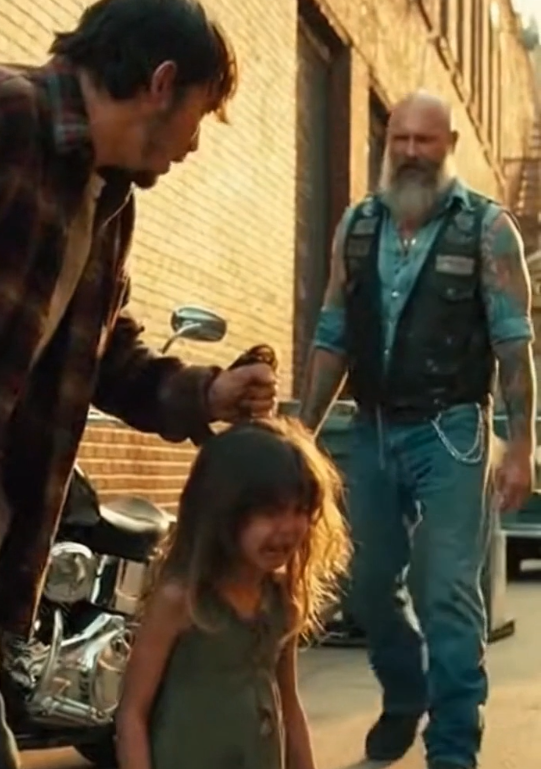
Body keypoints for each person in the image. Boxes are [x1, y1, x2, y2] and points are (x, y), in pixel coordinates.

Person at [0, 1, 277, 766]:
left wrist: (206, 394)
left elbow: (103, 356)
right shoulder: (13, 118)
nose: (194, 145)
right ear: (161, 83)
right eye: (201, 115)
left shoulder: (106, 197)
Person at [299, 90, 536, 769]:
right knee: (367, 584)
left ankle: (453, 748)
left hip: (453, 432)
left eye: (423, 141)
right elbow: (332, 335)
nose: (407, 152)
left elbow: (514, 346)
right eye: (398, 138)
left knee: (447, 593)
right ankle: (405, 691)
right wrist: (300, 434)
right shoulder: (357, 225)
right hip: (371, 429)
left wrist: (521, 446)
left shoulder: (487, 229)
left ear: (449, 145)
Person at [116, 417, 351, 769]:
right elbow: (132, 714)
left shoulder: (281, 600)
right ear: (222, 512)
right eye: (270, 512)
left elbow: (288, 703)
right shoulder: (182, 600)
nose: (288, 528)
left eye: (300, 510)